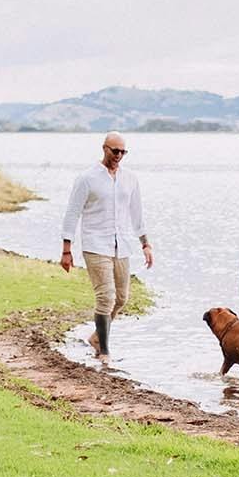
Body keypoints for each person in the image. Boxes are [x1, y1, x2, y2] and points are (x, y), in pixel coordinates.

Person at [59, 130, 151, 360]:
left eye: (123, 151)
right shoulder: (87, 178)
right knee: (106, 297)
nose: (119, 155)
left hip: (122, 245)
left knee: (121, 298)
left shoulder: (130, 179)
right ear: (104, 148)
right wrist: (66, 249)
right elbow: (72, 213)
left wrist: (145, 244)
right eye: (115, 151)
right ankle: (104, 351)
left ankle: (97, 337)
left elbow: (136, 213)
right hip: (95, 244)